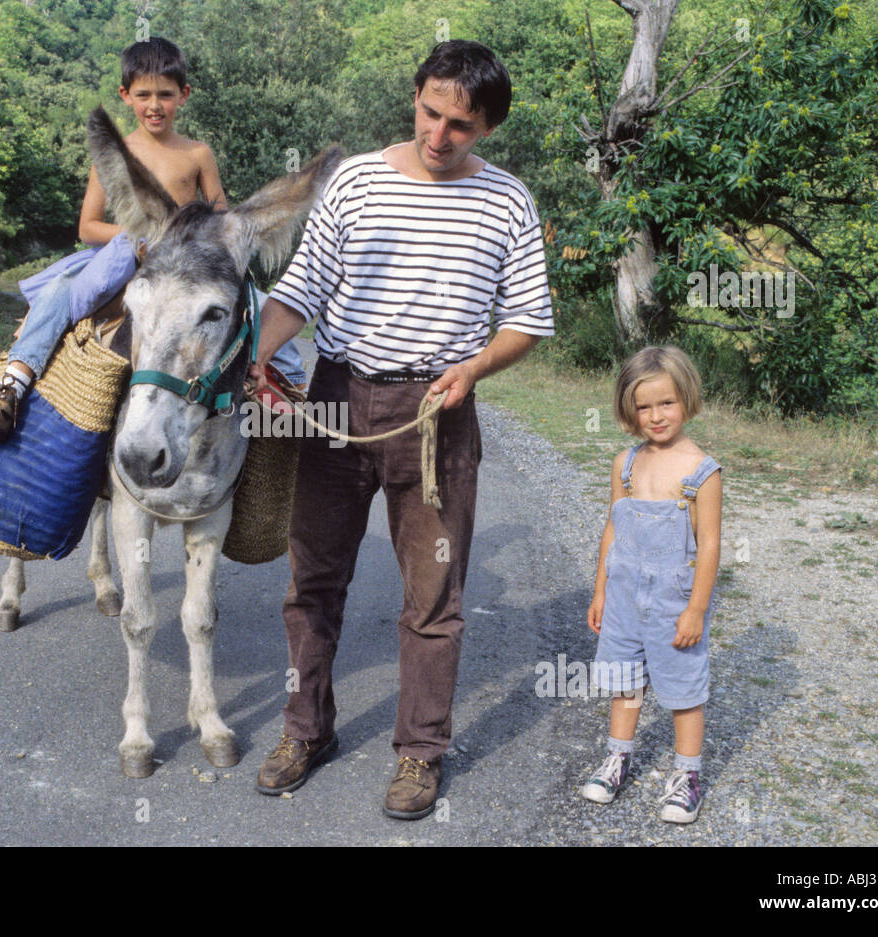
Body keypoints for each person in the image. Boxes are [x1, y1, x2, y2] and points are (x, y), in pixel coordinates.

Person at [248, 40, 554, 819]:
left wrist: (474, 369)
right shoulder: (355, 180)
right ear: (414, 94)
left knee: (432, 594)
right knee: (312, 578)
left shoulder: (508, 201)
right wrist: (256, 353)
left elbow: (526, 320)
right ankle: (304, 730)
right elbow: (304, 285)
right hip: (339, 398)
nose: (439, 133)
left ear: (485, 127)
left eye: (461, 123)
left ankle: (420, 752)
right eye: (430, 111)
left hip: (437, 415)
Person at [0, 37, 306, 442]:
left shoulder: (197, 154)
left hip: (184, 267)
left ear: (183, 96)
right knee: (60, 292)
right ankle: (11, 387)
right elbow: (88, 227)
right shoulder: (115, 153)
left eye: (166, 95)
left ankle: (288, 390)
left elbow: (223, 221)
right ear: (125, 95)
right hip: (124, 259)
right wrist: (138, 238)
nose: (155, 105)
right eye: (144, 94)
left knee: (261, 304)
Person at [581, 345, 723, 824]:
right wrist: (600, 590)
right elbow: (613, 528)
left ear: (687, 398)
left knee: (682, 688)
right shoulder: (625, 462)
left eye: (666, 403)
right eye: (643, 406)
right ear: (628, 408)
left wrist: (696, 610)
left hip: (672, 601)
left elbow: (709, 546)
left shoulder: (702, 470)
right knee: (624, 682)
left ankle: (687, 776)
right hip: (622, 596)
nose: (656, 416)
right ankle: (617, 759)